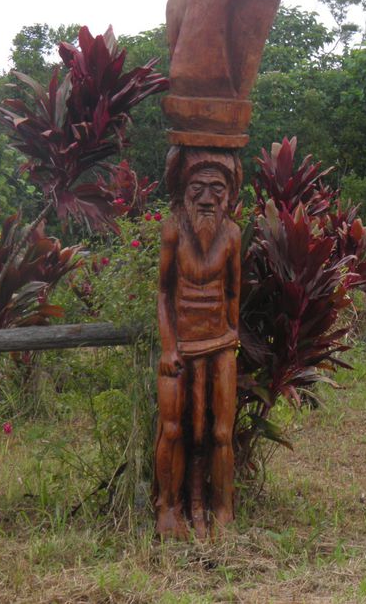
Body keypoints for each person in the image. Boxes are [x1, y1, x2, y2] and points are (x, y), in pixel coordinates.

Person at [154, 148, 241, 539]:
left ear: (228, 196)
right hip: (181, 347)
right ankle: (170, 508)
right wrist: (169, 347)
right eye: (198, 188)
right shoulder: (174, 230)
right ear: (184, 191)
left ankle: (221, 509)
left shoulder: (233, 235)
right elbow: (163, 293)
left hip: (220, 343)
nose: (207, 198)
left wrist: (231, 335)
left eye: (217, 189)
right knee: (174, 429)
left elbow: (234, 292)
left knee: (220, 432)